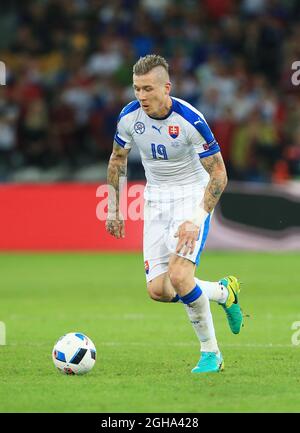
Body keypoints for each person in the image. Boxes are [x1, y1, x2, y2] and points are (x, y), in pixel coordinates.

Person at [105, 54, 243, 374]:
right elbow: (117, 159)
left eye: (148, 89)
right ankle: (224, 292)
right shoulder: (128, 118)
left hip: (190, 198)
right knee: (160, 290)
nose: (141, 96)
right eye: (137, 89)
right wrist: (114, 208)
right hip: (155, 199)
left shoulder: (190, 120)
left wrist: (196, 219)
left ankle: (211, 354)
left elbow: (219, 174)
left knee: (181, 277)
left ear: (166, 87)